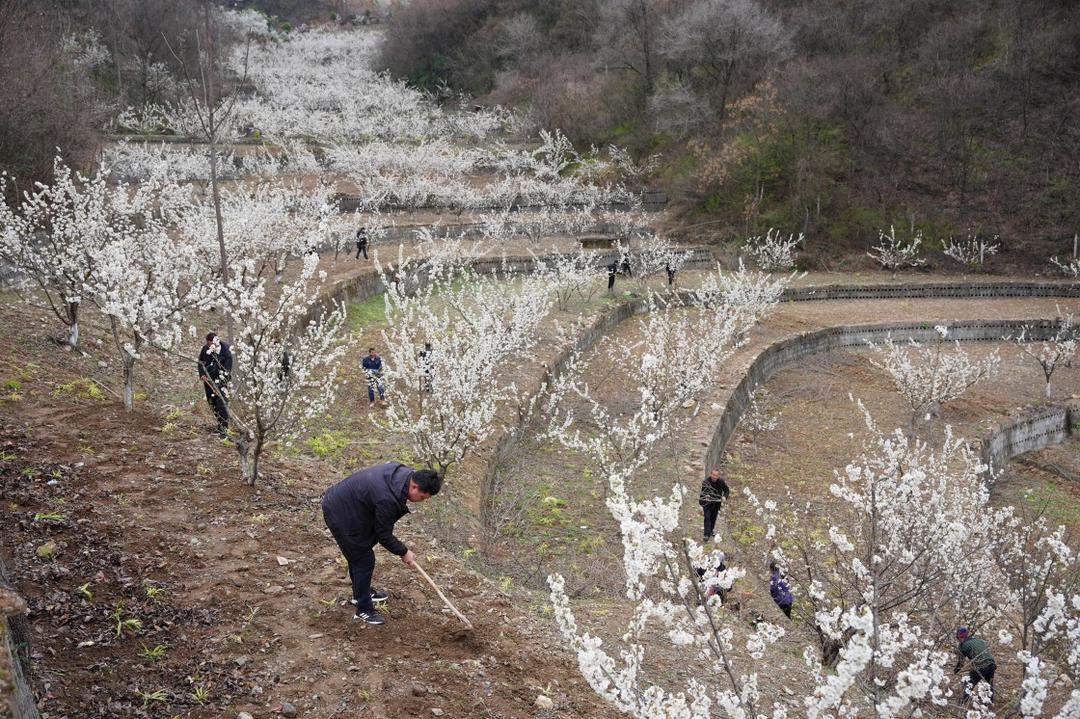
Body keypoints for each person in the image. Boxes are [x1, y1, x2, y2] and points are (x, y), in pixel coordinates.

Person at [322, 463, 442, 625]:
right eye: (422, 497)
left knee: (360, 552)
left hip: (352, 505)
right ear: (414, 486)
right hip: (339, 512)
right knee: (363, 559)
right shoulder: (388, 498)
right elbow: (383, 535)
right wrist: (404, 552)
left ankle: (362, 592)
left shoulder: (402, 473)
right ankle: (363, 609)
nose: (421, 501)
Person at [197, 332, 232, 438]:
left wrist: (219, 386)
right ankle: (220, 425)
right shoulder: (205, 349)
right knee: (212, 403)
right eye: (208, 344)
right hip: (208, 379)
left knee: (221, 404)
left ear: (216, 341)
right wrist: (202, 374)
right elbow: (200, 362)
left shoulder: (226, 351)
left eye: (210, 344)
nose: (209, 346)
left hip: (222, 381)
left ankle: (224, 430)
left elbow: (227, 371)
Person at [954, 627, 996, 703]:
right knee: (989, 685)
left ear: (959, 637)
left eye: (958, 637)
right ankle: (990, 703)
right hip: (991, 664)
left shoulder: (962, 645)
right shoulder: (978, 640)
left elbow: (961, 663)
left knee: (968, 683)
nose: (958, 639)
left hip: (979, 666)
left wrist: (955, 672)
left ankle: (962, 703)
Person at [699, 467, 731, 541]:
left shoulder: (721, 482)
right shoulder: (706, 482)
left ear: (718, 476)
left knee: (713, 517)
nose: (714, 477)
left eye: (716, 475)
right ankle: (706, 534)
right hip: (707, 503)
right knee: (707, 517)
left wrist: (724, 497)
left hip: (716, 503)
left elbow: (727, 490)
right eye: (713, 475)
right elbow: (703, 493)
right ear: (711, 474)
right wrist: (706, 496)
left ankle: (711, 530)